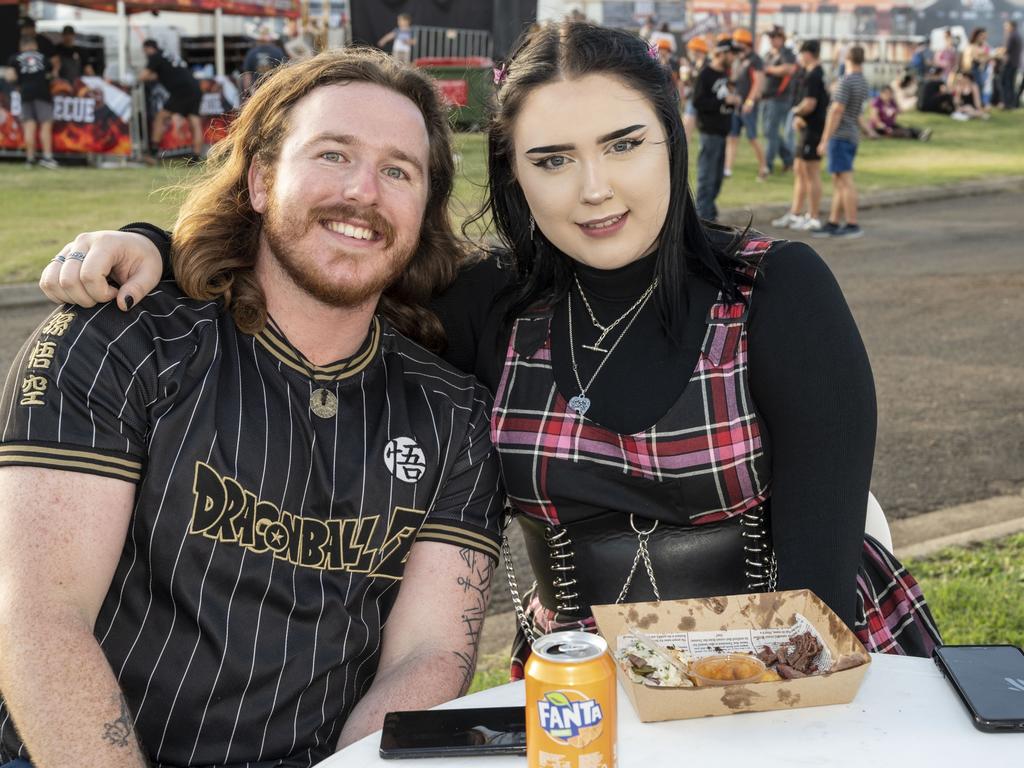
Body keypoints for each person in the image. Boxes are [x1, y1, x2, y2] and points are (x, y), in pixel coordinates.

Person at [46, 23, 943, 687]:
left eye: (623, 144)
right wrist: (153, 246)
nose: (594, 189)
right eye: (552, 160)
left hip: (807, 663)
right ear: (514, 177)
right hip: (578, 679)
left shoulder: (777, 291)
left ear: (672, 139)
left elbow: (815, 601)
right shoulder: (489, 304)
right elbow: (322, 255)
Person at [0, 48, 503, 767]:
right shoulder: (121, 339)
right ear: (262, 179)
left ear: (422, 214)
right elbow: (41, 618)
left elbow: (429, 654)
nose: (364, 191)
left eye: (399, 171)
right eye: (333, 154)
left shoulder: (452, 415)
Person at [772, 40, 829, 232]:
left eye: (802, 53)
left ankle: (813, 216)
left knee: (811, 172)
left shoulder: (815, 74)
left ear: (809, 53)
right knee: (799, 170)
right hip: (805, 129)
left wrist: (795, 113)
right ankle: (795, 212)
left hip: (813, 129)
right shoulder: (807, 73)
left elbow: (810, 103)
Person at [814, 45, 871, 239]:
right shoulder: (862, 81)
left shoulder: (846, 81)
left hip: (840, 136)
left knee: (845, 181)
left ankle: (852, 223)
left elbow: (836, 110)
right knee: (839, 181)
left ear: (847, 58)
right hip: (852, 134)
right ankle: (833, 221)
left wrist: (824, 139)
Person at [693, 38, 741, 221]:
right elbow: (698, 102)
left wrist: (734, 100)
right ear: (720, 53)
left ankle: (709, 214)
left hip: (722, 132)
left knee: (717, 179)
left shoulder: (725, 74)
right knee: (707, 178)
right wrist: (723, 101)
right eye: (731, 53)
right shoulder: (706, 74)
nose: (733, 57)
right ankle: (703, 219)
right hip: (710, 132)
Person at [139, 39, 204, 160]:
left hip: (181, 91)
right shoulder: (168, 54)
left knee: (160, 117)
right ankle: (196, 157)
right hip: (195, 88)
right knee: (194, 121)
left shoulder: (155, 56)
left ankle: (153, 152)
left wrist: (153, 77)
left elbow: (142, 76)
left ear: (148, 49)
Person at [4, 35, 59, 168]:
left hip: (25, 94)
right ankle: (47, 157)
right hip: (42, 93)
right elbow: (53, 74)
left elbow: (9, 77)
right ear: (35, 46)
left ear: (21, 47)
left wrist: (20, 83)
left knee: (29, 126)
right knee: (45, 125)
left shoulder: (14, 58)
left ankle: (30, 159)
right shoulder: (43, 57)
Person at [724, 28, 767, 181]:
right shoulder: (739, 60)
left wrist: (750, 101)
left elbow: (758, 82)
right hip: (737, 103)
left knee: (752, 138)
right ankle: (727, 169)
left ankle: (764, 167)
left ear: (744, 43)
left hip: (748, 105)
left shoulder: (755, 59)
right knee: (732, 137)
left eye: (737, 42)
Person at [761, 26, 797, 174]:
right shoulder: (769, 54)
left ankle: (767, 165)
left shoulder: (786, 53)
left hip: (779, 98)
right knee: (770, 132)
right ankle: (788, 159)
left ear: (781, 38)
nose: (771, 40)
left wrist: (769, 70)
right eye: (770, 37)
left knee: (771, 133)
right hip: (767, 97)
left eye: (774, 37)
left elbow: (789, 69)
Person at [241, 24, 286, 96]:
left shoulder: (251, 52)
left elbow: (247, 76)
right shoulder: (278, 51)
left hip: (257, 92)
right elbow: (283, 72)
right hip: (274, 90)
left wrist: (247, 93)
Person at [681, 35, 709, 143]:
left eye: (691, 50)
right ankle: (684, 156)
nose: (689, 52)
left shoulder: (708, 64)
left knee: (705, 132)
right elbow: (690, 83)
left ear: (698, 51)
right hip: (693, 99)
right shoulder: (694, 64)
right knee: (686, 128)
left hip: (704, 101)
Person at [964, 28, 991, 106]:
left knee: (981, 87)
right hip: (974, 70)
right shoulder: (972, 46)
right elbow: (974, 59)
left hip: (982, 70)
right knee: (976, 87)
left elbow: (987, 57)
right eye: (981, 35)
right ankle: (976, 104)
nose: (983, 37)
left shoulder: (985, 45)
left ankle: (979, 104)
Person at [1000, 21, 1021, 110]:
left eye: (1006, 26)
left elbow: (1006, 50)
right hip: (1015, 63)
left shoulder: (1011, 36)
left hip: (1009, 64)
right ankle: (1013, 103)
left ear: (1011, 26)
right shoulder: (1017, 35)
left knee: (1006, 83)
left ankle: (1007, 104)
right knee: (1011, 84)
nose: (1005, 28)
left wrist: (998, 52)